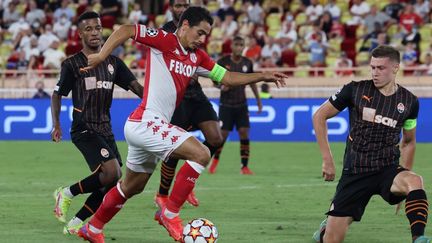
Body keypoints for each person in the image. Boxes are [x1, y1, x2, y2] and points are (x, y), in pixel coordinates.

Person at [76, 6, 287, 243]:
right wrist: (103, 55)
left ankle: (92, 229)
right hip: (146, 121)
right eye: (199, 33)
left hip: (145, 127)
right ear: (184, 25)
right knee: (201, 153)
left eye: (206, 35)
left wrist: (261, 75)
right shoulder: (164, 41)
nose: (202, 39)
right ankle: (170, 212)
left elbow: (227, 77)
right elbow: (127, 29)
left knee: (131, 186)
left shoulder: (198, 57)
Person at [311, 45, 430, 243]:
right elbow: (319, 116)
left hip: (387, 169)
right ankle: (326, 228)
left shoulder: (410, 102)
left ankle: (418, 238)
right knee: (332, 239)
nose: (375, 73)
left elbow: (408, 141)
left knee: (415, 181)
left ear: (395, 68)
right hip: (356, 172)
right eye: (372, 67)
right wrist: (327, 159)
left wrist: (405, 181)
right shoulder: (355, 89)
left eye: (381, 68)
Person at [51, 11, 143, 235]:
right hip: (83, 128)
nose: (94, 33)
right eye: (89, 29)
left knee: (111, 180)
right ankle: (67, 193)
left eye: (98, 28)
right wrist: (57, 124)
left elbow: (136, 88)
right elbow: (57, 94)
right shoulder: (72, 64)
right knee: (112, 173)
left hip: (105, 128)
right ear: (80, 33)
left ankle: (76, 222)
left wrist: (157, 101)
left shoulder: (113, 63)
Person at [154, 0, 224, 210]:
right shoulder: (165, 33)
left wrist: (216, 77)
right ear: (171, 9)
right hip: (177, 96)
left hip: (196, 94)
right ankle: (162, 194)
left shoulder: (197, 31)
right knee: (174, 148)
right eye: (178, 5)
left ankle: (186, 180)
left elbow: (202, 60)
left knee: (215, 138)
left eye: (185, 4)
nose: (181, 8)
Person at [209, 36, 262, 175]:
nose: (239, 47)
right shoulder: (223, 62)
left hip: (241, 104)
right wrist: (221, 87)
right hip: (226, 105)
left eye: (241, 45)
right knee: (223, 135)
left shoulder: (247, 63)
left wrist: (258, 100)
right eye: (237, 45)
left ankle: (244, 167)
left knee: (244, 132)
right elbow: (214, 80)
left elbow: (252, 81)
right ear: (231, 46)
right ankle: (215, 161)